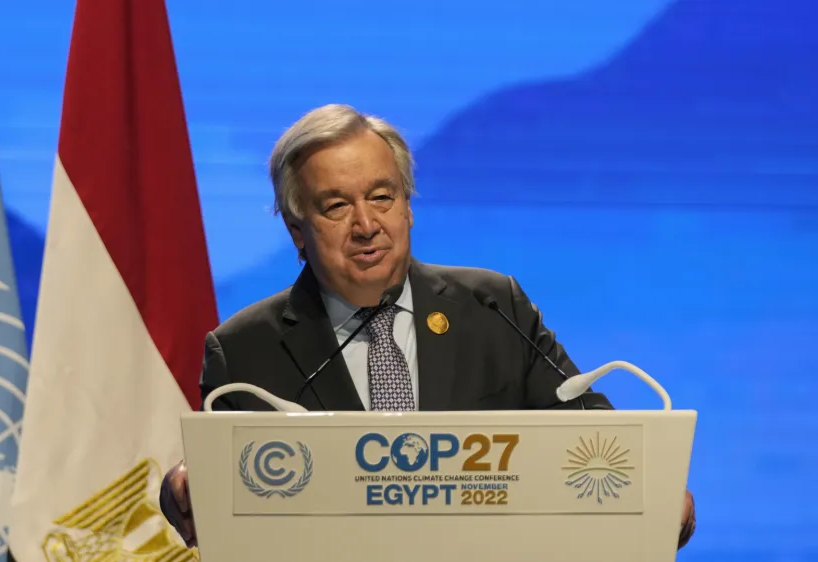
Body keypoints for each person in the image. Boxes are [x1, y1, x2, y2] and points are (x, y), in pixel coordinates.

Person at [160, 104, 695, 549]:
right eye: (336, 206)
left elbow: (596, 439)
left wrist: (657, 487)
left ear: (408, 206)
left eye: (381, 196)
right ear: (298, 231)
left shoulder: (493, 307)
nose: (366, 226)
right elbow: (214, 481)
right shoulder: (246, 349)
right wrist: (182, 485)